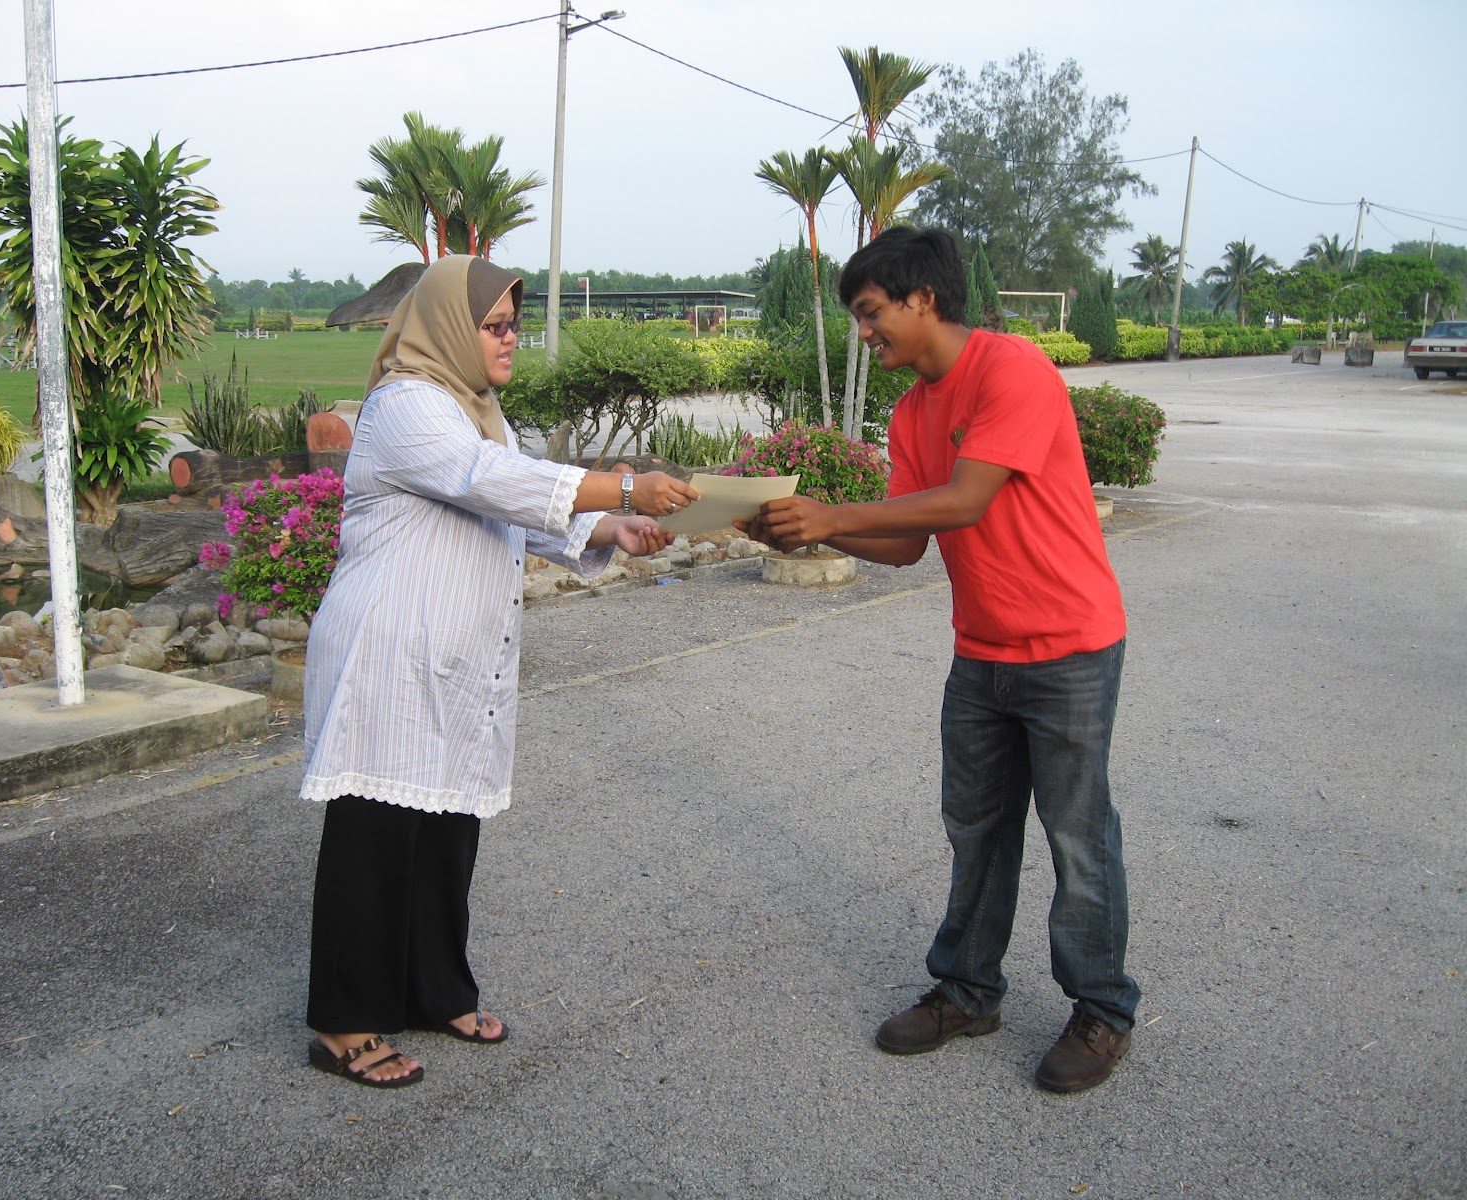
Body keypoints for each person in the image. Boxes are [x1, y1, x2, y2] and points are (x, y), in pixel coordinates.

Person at [740, 226, 1139, 1094]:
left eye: (872, 312)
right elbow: (911, 543)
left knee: (1078, 838)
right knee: (978, 834)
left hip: (1070, 647)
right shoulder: (912, 409)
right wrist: (790, 526)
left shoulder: (1012, 371)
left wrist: (833, 516)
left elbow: (964, 500)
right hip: (982, 652)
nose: (865, 331)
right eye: (857, 317)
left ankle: (1103, 1010)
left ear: (923, 298)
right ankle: (967, 991)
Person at [300, 254, 699, 1088]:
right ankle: (344, 1023)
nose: (512, 339)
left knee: (445, 828)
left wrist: (606, 531)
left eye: (515, 324)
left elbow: (512, 507)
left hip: (450, 658)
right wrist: (625, 487)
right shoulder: (407, 403)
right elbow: (487, 481)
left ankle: (432, 988)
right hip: (390, 655)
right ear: (450, 326)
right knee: (375, 836)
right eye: (495, 326)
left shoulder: (478, 411)